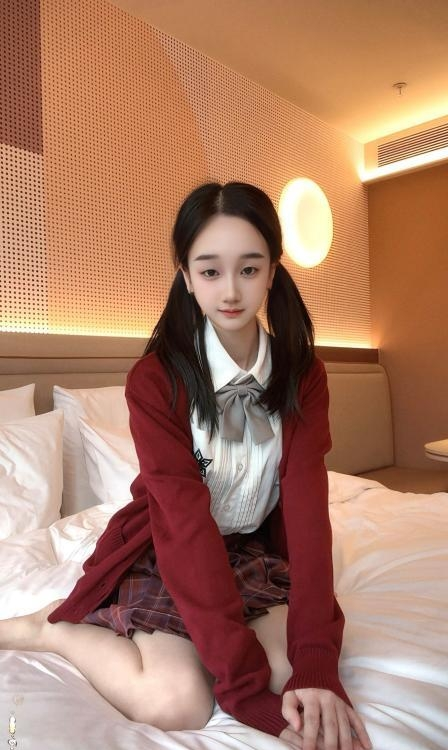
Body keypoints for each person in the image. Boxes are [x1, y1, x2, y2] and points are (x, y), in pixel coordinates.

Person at [1, 182, 371, 750]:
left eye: (249, 269)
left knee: (287, 674)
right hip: (169, 545)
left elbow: (306, 510)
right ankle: (49, 631)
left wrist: (317, 664)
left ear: (273, 272)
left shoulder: (302, 374)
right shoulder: (155, 380)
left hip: (248, 546)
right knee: (177, 704)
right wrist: (241, 690)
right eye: (210, 271)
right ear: (186, 276)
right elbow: (184, 523)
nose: (231, 291)